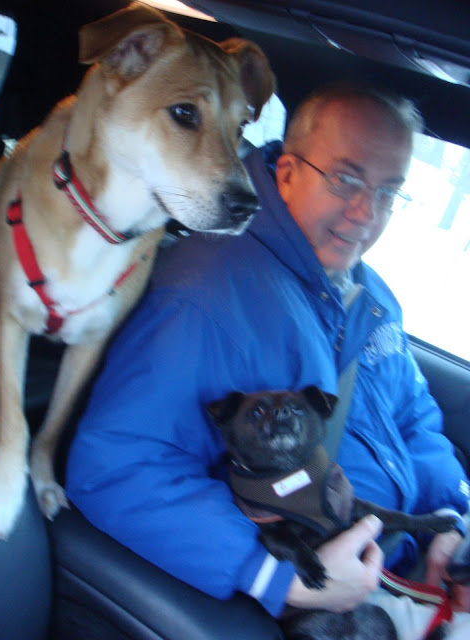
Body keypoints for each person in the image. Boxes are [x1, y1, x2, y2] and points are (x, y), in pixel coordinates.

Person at [66, 84, 470, 636]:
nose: (366, 213)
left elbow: (414, 420)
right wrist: (277, 576)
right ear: (286, 172)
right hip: (330, 598)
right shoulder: (205, 294)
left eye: (388, 192)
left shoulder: (370, 295)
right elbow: (116, 465)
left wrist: (450, 523)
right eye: (346, 179)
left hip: (409, 568)